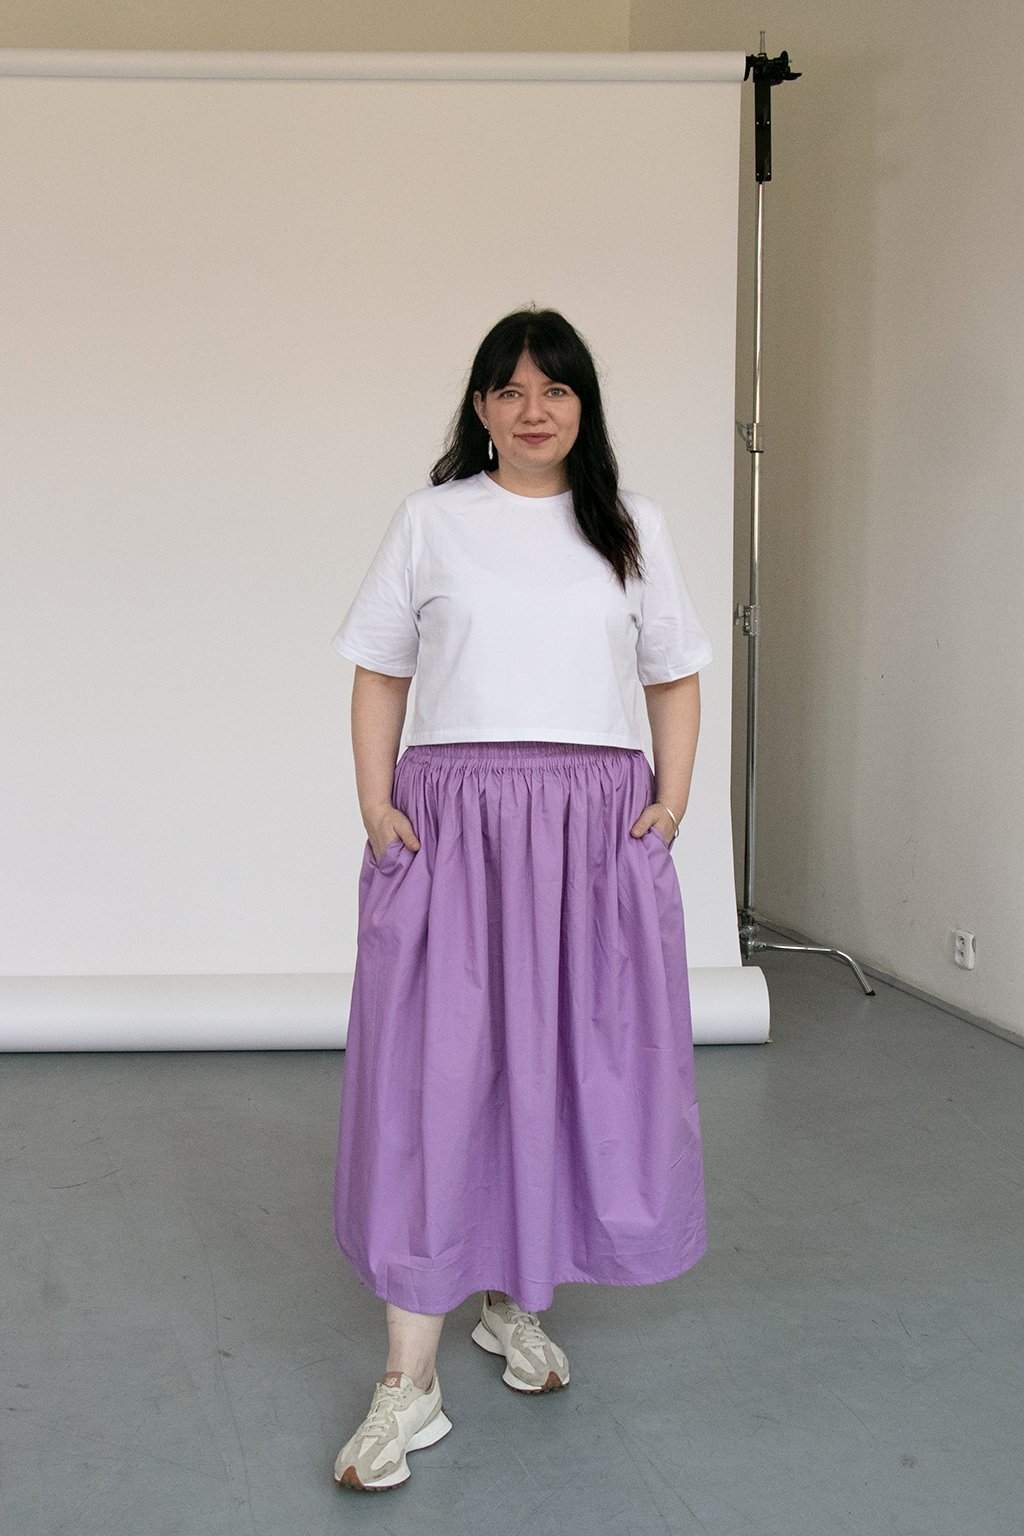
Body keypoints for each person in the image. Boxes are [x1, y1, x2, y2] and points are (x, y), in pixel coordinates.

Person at [329, 308, 714, 1492]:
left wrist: (669, 806)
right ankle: (408, 1382)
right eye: (508, 390)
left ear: (583, 406)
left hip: (591, 826)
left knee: (554, 1065)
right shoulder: (431, 521)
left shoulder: (631, 528)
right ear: (481, 408)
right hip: (453, 821)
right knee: (434, 1076)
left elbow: (673, 674)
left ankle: (512, 1299)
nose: (532, 409)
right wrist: (376, 805)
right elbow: (380, 669)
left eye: (554, 389)